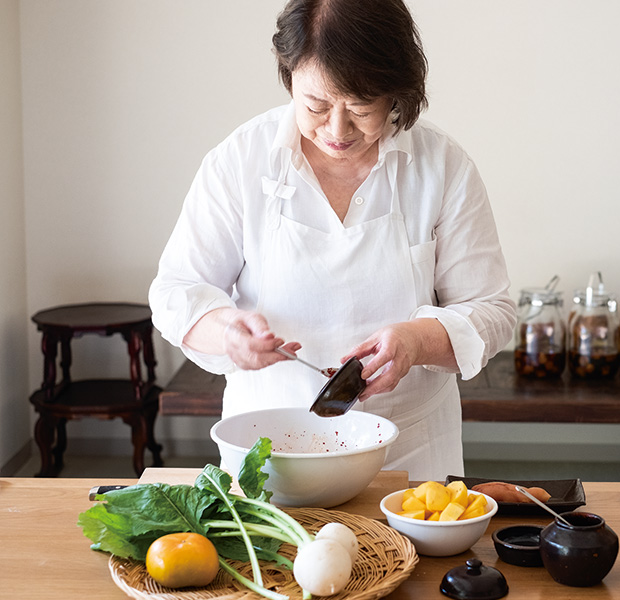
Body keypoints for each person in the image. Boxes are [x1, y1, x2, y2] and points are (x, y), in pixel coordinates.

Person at [149, 0, 515, 481]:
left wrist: (415, 341)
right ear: (289, 77)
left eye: (361, 109)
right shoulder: (240, 160)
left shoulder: (441, 166)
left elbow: (491, 309)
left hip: (406, 456)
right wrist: (229, 335)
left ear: (397, 96)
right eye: (316, 106)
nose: (337, 130)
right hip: (268, 452)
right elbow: (176, 292)